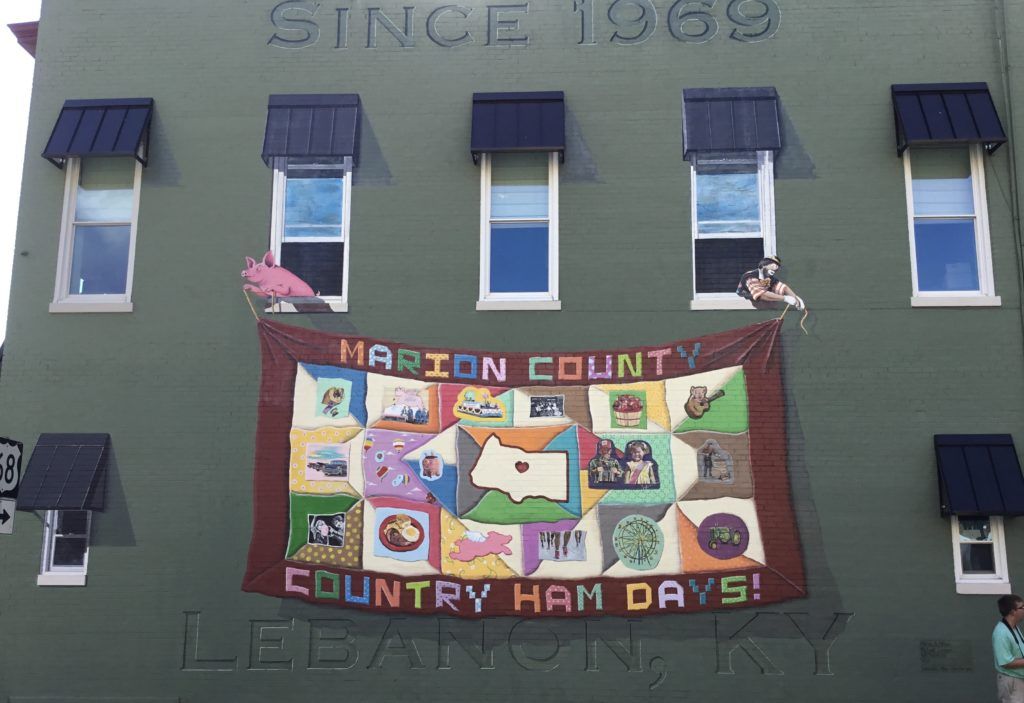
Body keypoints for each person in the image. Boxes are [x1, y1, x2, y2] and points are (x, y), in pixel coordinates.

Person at [737, 256, 805, 310]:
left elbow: (783, 287)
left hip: (763, 298)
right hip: (748, 299)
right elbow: (761, 294)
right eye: (773, 266)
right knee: (762, 298)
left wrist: (797, 299)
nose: (774, 271)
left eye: (776, 269)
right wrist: (785, 298)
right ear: (763, 265)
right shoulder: (750, 276)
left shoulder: (768, 277)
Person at [994, 594, 1024, 702]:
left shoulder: (1014, 627)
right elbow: (1006, 662)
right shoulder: (1001, 633)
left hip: (1018, 679)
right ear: (1012, 612)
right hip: (1012, 682)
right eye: (1022, 607)